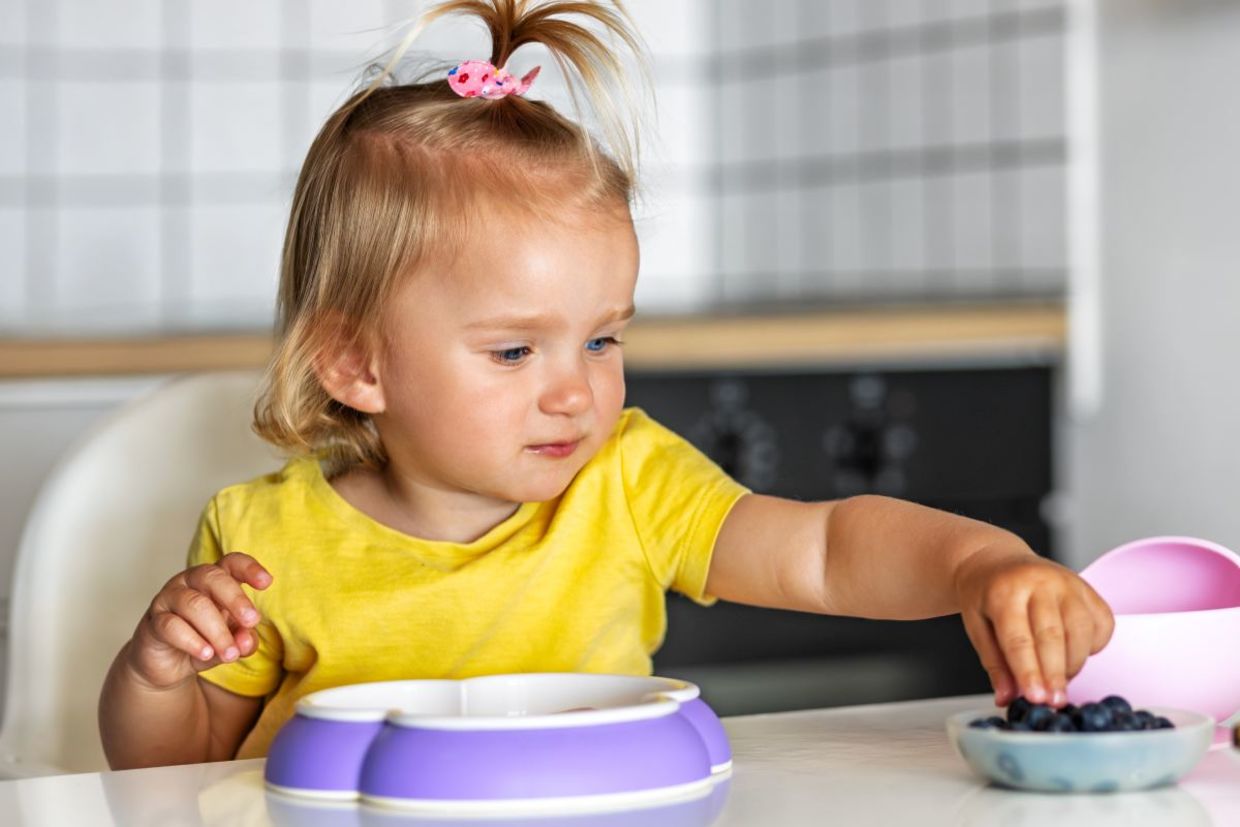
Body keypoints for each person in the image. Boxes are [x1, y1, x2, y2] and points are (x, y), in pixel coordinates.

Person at [98, 0, 1113, 769]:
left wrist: (983, 562)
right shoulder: (262, 541)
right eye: (513, 351)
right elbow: (171, 774)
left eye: (601, 338)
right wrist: (154, 673)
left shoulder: (626, 479)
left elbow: (826, 549)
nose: (576, 392)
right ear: (356, 363)